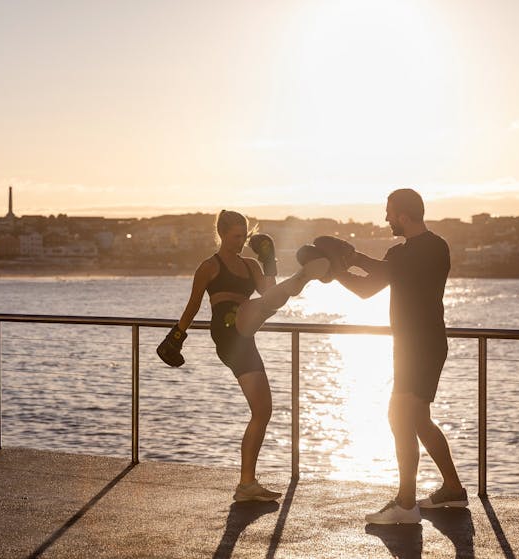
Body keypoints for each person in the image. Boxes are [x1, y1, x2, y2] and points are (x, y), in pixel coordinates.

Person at [157, 209, 329, 502]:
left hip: (246, 336)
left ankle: (246, 484)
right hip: (226, 330)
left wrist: (268, 261)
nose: (241, 242)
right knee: (257, 308)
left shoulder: (251, 266)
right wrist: (175, 338)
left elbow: (270, 292)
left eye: (245, 236)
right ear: (222, 234)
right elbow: (193, 306)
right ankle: (301, 277)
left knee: (263, 411)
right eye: (236, 236)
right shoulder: (209, 267)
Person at [326, 188, 467, 524]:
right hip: (408, 346)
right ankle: (453, 488)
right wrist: (334, 272)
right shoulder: (397, 252)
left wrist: (352, 256)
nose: (385, 218)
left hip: (425, 345)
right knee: (416, 418)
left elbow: (389, 271)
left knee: (398, 415)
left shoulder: (433, 247)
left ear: (403, 215)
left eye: (388, 212)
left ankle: (406, 504)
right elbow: (366, 289)